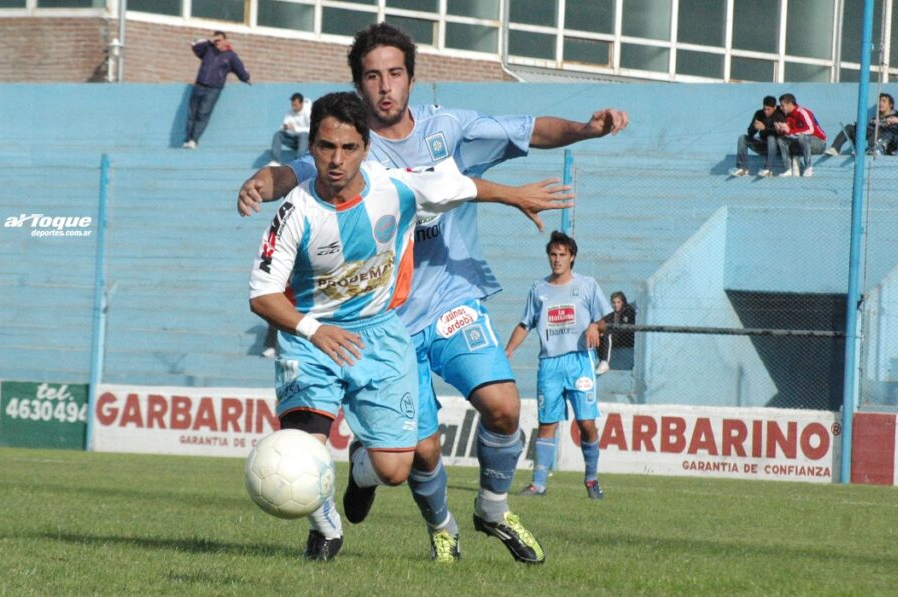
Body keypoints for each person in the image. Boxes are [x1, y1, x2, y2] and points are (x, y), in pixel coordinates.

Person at [238, 23, 627, 565]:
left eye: (395, 73)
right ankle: (434, 520)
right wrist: (264, 181)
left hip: (450, 300)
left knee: (502, 406)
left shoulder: (452, 130)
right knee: (416, 457)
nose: (385, 87)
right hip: (387, 319)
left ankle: (492, 510)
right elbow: (294, 174)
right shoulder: (348, 148)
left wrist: (586, 129)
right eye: (372, 76)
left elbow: (528, 131)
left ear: (411, 78)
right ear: (358, 85)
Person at [504, 231, 611, 499]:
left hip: (579, 362)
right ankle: (538, 484)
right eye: (553, 254)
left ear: (572, 257)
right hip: (549, 364)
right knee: (547, 422)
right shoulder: (538, 289)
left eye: (562, 254)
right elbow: (525, 323)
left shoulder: (587, 285)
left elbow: (603, 321)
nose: (557, 259)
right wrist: (508, 350)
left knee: (586, 423)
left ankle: (591, 479)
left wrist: (593, 326)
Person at [182, 31, 251, 149]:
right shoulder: (208, 50)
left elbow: (239, 69)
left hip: (213, 89)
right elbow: (194, 45)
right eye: (215, 40)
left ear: (225, 41)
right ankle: (187, 139)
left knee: (203, 114)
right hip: (199, 85)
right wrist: (208, 41)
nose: (216, 42)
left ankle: (194, 139)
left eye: (219, 40)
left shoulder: (231, 56)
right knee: (192, 113)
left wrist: (246, 78)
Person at [825, 93, 898, 157]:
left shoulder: (896, 116)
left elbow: (894, 132)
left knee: (878, 130)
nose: (880, 103)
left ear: (891, 105)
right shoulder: (875, 118)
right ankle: (835, 148)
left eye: (884, 101)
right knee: (850, 127)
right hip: (868, 138)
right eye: (879, 101)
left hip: (881, 144)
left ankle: (863, 150)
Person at [729, 95, 785, 178]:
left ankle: (768, 169)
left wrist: (764, 128)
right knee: (742, 138)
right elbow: (750, 133)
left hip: (776, 146)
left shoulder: (780, 114)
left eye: (768, 109)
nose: (766, 111)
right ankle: (742, 168)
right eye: (764, 109)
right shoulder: (759, 114)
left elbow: (781, 133)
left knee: (771, 138)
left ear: (774, 108)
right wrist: (754, 128)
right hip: (762, 144)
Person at [774, 93, 826, 177]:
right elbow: (790, 134)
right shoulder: (788, 117)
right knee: (781, 140)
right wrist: (780, 130)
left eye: (782, 105)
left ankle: (808, 167)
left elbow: (810, 129)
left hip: (818, 143)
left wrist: (790, 131)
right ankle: (788, 169)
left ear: (790, 104)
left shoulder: (803, 112)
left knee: (802, 137)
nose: (781, 108)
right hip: (802, 145)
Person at [597, 290, 635, 373]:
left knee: (608, 334)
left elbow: (625, 327)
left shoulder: (628, 311)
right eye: (613, 302)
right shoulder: (611, 313)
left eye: (618, 302)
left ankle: (605, 362)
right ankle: (601, 361)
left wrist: (607, 331)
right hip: (613, 338)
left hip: (625, 340)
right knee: (600, 334)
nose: (616, 305)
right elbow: (603, 321)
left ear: (623, 302)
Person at [269, 92, 312, 166]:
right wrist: (285, 127)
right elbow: (282, 126)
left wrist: (295, 129)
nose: (293, 107)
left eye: (295, 105)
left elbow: (313, 129)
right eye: (292, 105)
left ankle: (299, 163)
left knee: (303, 135)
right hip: (295, 141)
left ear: (301, 104)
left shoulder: (308, 111)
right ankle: (275, 161)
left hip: (309, 142)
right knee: (278, 135)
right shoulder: (290, 112)